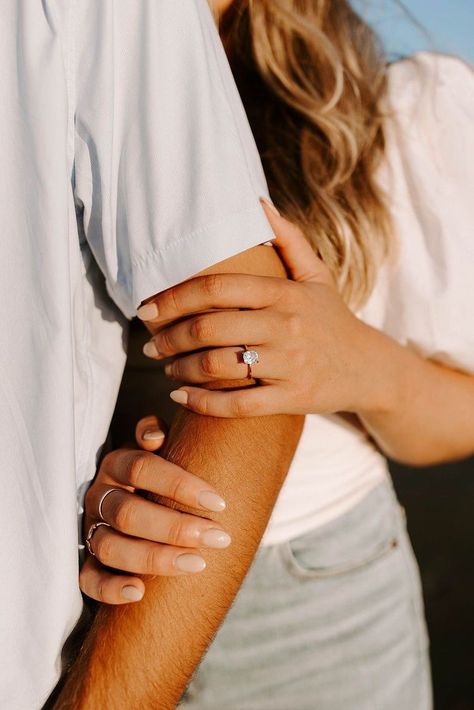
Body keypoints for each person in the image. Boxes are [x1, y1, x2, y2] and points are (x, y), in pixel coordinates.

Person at [74, 0, 474, 708]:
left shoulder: (393, 108)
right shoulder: (57, 73)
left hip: (318, 597)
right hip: (88, 587)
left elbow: (461, 415)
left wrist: (359, 362)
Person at [1, 1, 304, 708]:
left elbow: (252, 358)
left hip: (303, 573)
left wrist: (362, 364)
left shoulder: (383, 101)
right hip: (135, 570)